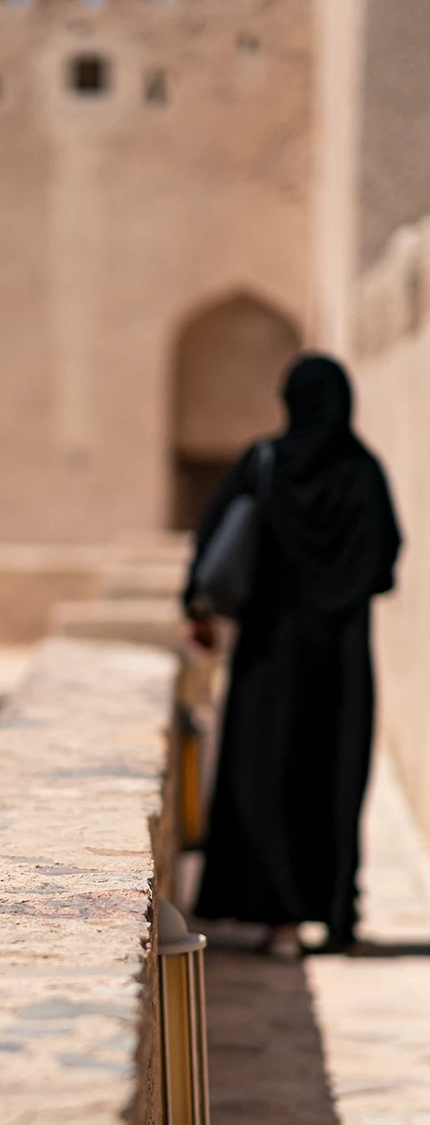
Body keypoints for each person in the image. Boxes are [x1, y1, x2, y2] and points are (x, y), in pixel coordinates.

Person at [185, 353, 401, 958]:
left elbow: (212, 539)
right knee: (332, 779)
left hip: (269, 658)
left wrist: (197, 611)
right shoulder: (363, 471)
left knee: (269, 775)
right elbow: (384, 562)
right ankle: (333, 916)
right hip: (340, 659)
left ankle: (279, 922)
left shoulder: (265, 462)